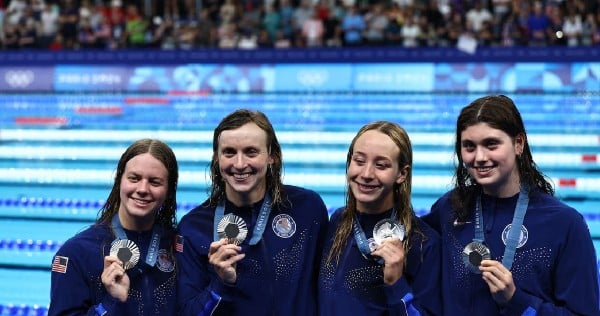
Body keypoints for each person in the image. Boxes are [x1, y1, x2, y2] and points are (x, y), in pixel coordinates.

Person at [422, 95, 600, 315]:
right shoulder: (449, 208)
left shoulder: (565, 224)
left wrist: (516, 300)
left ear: (518, 144)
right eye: (469, 146)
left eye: (491, 144)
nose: (479, 157)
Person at [176, 109, 329, 315]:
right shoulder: (193, 227)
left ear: (271, 156)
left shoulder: (307, 208)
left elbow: (329, 289)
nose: (239, 164)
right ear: (216, 158)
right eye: (229, 152)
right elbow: (187, 312)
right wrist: (220, 283)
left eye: (251, 152)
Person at [318, 121, 442, 315]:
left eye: (381, 165)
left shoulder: (423, 243)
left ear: (402, 174)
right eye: (359, 161)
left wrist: (396, 283)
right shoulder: (338, 221)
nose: (366, 174)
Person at [48, 138, 179, 315]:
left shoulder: (179, 247)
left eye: (154, 182)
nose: (142, 188)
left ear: (169, 190)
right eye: (134, 178)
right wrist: (109, 304)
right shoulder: (77, 253)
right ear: (119, 181)